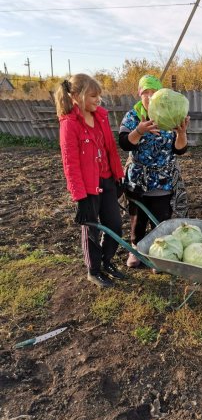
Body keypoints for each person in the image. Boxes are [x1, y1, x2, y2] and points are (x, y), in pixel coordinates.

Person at [55, 73, 125, 288]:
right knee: (92, 231)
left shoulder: (100, 117)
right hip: (88, 188)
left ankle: (106, 261)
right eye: (93, 96)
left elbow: (110, 150)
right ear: (76, 95)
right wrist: (80, 197)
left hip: (107, 180)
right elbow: (70, 164)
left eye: (99, 96)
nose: (98, 100)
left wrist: (118, 176)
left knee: (114, 225)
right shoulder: (70, 124)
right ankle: (93, 270)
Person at [118, 74, 190, 268]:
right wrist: (139, 130)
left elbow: (180, 149)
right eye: (146, 92)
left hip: (163, 178)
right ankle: (137, 251)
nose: (150, 97)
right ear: (140, 94)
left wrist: (181, 133)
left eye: (154, 92)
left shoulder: (168, 114)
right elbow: (124, 143)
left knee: (161, 220)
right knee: (137, 219)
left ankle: (159, 255)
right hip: (138, 178)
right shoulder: (134, 116)